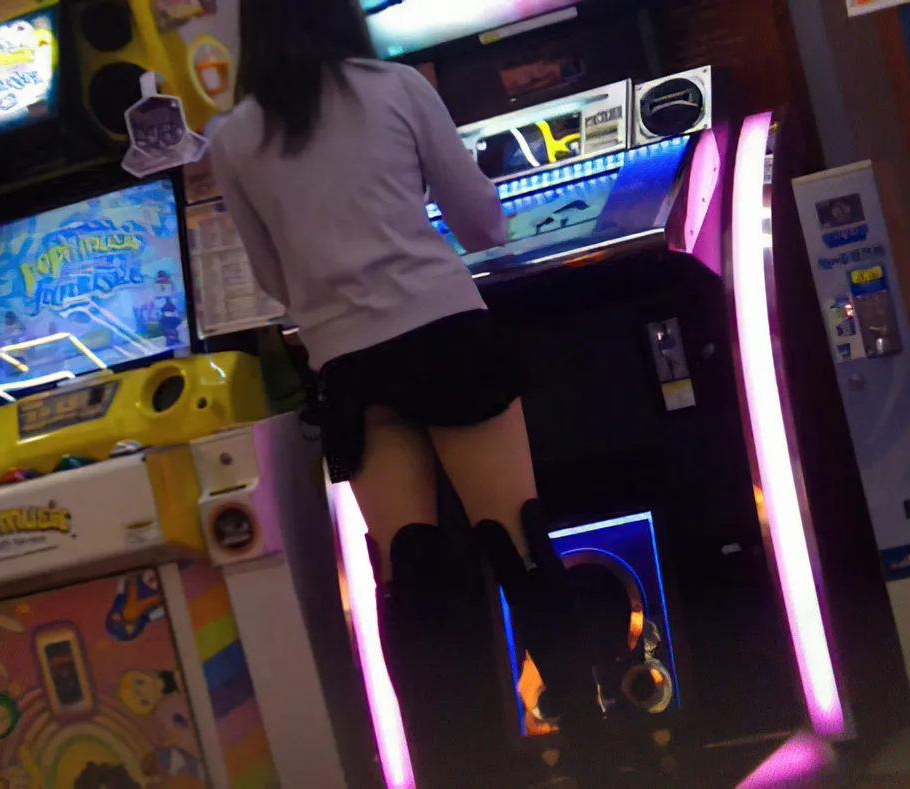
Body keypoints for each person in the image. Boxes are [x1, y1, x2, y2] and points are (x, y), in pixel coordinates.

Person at [209, 0, 604, 785]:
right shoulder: (395, 88)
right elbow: (483, 224)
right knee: (519, 544)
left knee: (413, 576)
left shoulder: (233, 138)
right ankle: (597, 746)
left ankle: (455, 764)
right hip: (449, 336)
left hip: (353, 368)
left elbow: (274, 281)